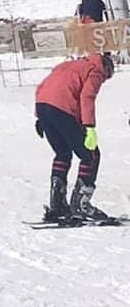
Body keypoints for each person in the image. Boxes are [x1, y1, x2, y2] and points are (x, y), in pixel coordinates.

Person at [35, 52, 115, 223]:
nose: (104, 80)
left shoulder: (68, 65)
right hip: (61, 109)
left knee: (63, 153)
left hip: (43, 106)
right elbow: (87, 97)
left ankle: (57, 204)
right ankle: (81, 205)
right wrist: (89, 127)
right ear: (106, 68)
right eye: (107, 77)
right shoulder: (96, 70)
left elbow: (42, 86)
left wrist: (40, 117)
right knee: (91, 155)